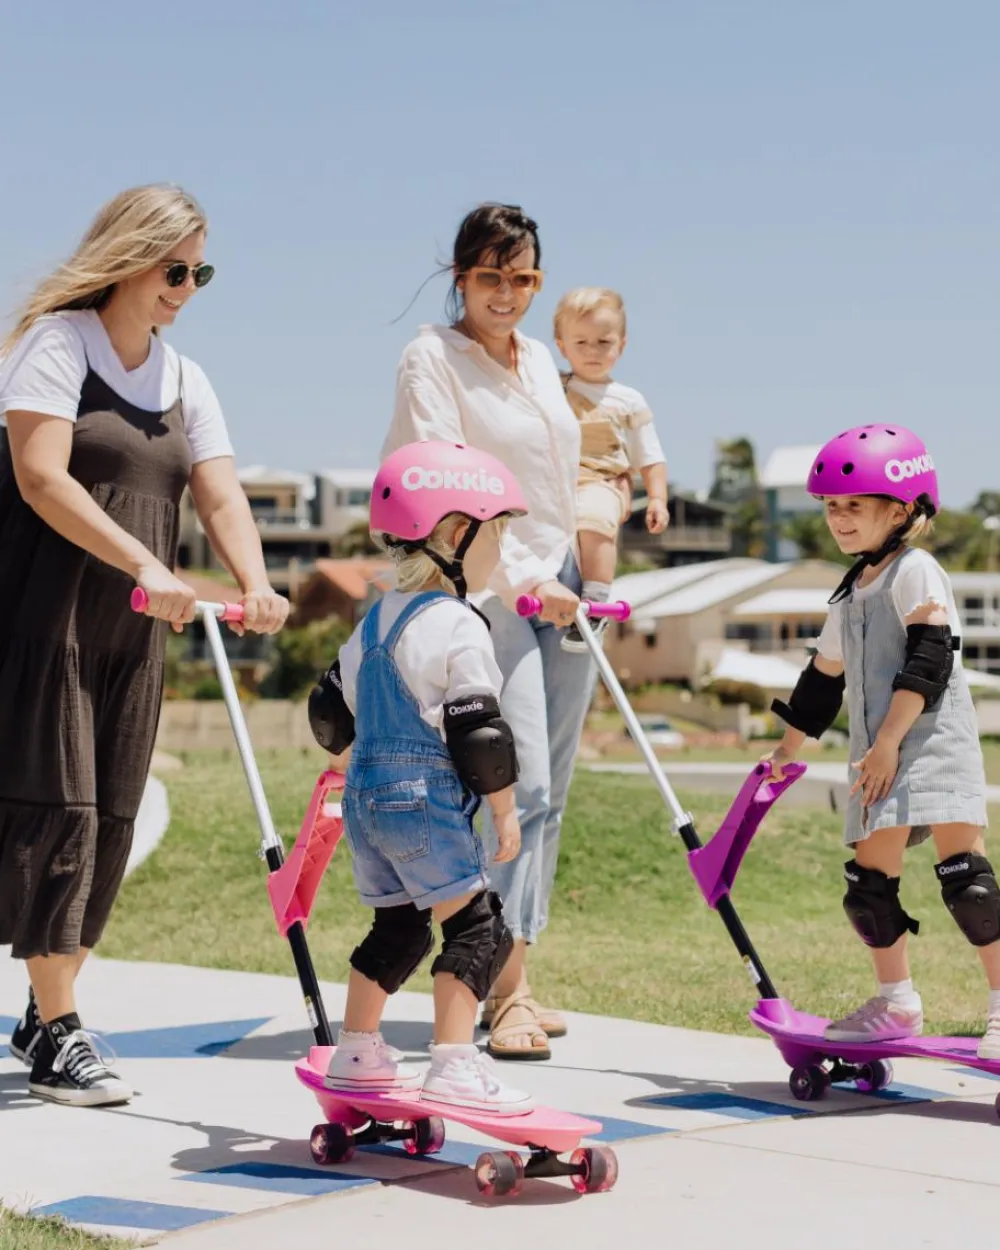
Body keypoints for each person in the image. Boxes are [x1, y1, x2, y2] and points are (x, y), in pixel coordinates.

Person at [0, 184, 289, 1107]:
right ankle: (60, 1031)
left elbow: (219, 496)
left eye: (200, 272)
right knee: (64, 813)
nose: (188, 287)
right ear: (129, 256)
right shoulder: (58, 347)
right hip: (47, 626)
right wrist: (142, 561)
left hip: (134, 636)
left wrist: (253, 581)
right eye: (176, 269)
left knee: (113, 817)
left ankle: (50, 1012)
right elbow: (41, 479)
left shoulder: (183, 377)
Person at [381, 203, 590, 1061]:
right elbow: (446, 487)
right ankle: (499, 994)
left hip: (563, 585)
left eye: (526, 277)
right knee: (520, 785)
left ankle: (518, 978)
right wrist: (520, 579)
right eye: (493, 275)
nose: (509, 293)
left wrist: (579, 569)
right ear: (461, 275)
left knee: (550, 801)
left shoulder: (540, 358)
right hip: (492, 590)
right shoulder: (432, 357)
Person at [307, 440, 535, 1112]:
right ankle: (455, 1063)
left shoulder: (371, 621)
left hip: (366, 803)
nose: (502, 549)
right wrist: (503, 809)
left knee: (398, 929)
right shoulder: (459, 624)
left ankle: (357, 1049)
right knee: (478, 928)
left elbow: (329, 712)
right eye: (499, 533)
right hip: (426, 801)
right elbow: (478, 731)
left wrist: (360, 770)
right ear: (458, 535)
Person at [764, 424, 998, 1055]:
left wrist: (892, 740)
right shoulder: (851, 590)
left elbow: (930, 659)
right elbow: (822, 678)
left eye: (855, 506)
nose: (839, 519)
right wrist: (787, 752)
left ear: (901, 510)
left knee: (967, 882)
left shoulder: (916, 573)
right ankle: (896, 1005)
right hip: (878, 755)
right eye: (832, 507)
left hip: (928, 746)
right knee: (868, 888)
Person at [552, 286, 668, 652]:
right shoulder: (551, 388)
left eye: (604, 341)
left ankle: (597, 600)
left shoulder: (628, 400)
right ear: (561, 345)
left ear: (622, 344)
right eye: (581, 342)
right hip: (556, 481)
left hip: (601, 480)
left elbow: (649, 455)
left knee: (595, 517)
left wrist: (658, 498)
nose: (593, 351)